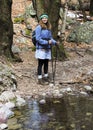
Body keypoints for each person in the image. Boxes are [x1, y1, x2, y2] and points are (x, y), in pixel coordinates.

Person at [35, 13, 57, 85]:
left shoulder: (48, 27)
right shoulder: (38, 27)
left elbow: (50, 38)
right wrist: (47, 42)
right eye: (43, 18)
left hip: (47, 48)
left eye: (46, 18)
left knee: (46, 63)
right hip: (41, 48)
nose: (45, 19)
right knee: (40, 63)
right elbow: (38, 38)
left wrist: (55, 42)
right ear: (41, 19)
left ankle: (46, 76)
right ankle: (39, 78)